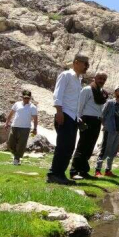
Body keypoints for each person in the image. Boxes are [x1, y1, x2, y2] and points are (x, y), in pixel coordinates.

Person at [47, 54, 89, 185]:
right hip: (64, 115)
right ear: (76, 62)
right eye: (85, 64)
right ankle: (54, 174)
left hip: (72, 117)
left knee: (69, 147)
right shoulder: (66, 75)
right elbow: (58, 94)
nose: (86, 67)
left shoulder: (78, 80)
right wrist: (59, 112)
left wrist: (78, 118)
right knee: (63, 146)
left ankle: (60, 174)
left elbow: (74, 101)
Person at [69, 72, 109, 180]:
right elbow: (80, 104)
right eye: (100, 78)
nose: (101, 80)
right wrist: (79, 118)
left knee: (90, 146)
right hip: (86, 119)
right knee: (82, 145)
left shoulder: (102, 93)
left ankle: (83, 171)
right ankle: (73, 171)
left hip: (96, 121)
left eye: (104, 79)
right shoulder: (87, 89)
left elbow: (100, 109)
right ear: (95, 78)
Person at [95, 86, 119, 177]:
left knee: (113, 151)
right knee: (105, 149)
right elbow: (102, 114)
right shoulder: (110, 102)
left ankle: (108, 170)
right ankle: (97, 170)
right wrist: (106, 125)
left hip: (118, 130)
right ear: (115, 92)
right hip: (110, 130)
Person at [5, 90, 38, 166]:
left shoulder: (33, 107)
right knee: (10, 143)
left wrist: (35, 129)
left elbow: (35, 119)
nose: (26, 99)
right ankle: (16, 155)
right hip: (14, 126)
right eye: (25, 98)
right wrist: (7, 123)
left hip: (25, 128)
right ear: (22, 97)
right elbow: (11, 114)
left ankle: (17, 158)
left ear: (30, 98)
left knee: (21, 144)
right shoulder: (17, 104)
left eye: (28, 98)